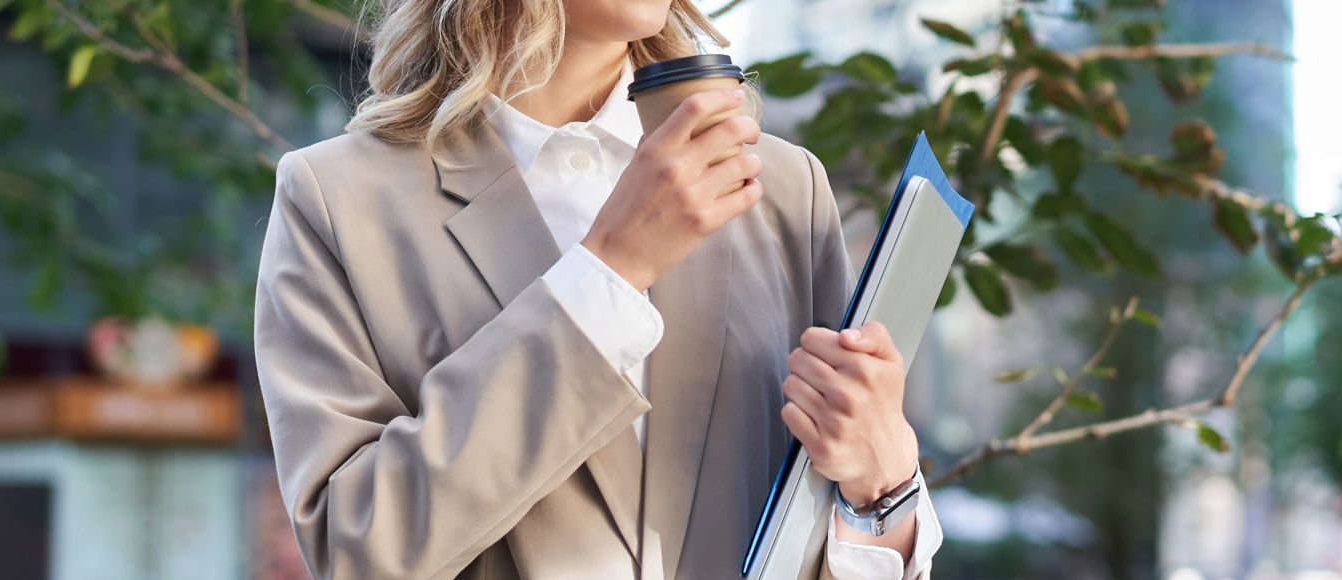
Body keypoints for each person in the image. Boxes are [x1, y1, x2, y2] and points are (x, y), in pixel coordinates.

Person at [252, 0, 942, 578]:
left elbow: (819, 527)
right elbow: (356, 546)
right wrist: (610, 269)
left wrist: (881, 488)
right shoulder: (339, 199)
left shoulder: (781, 189)